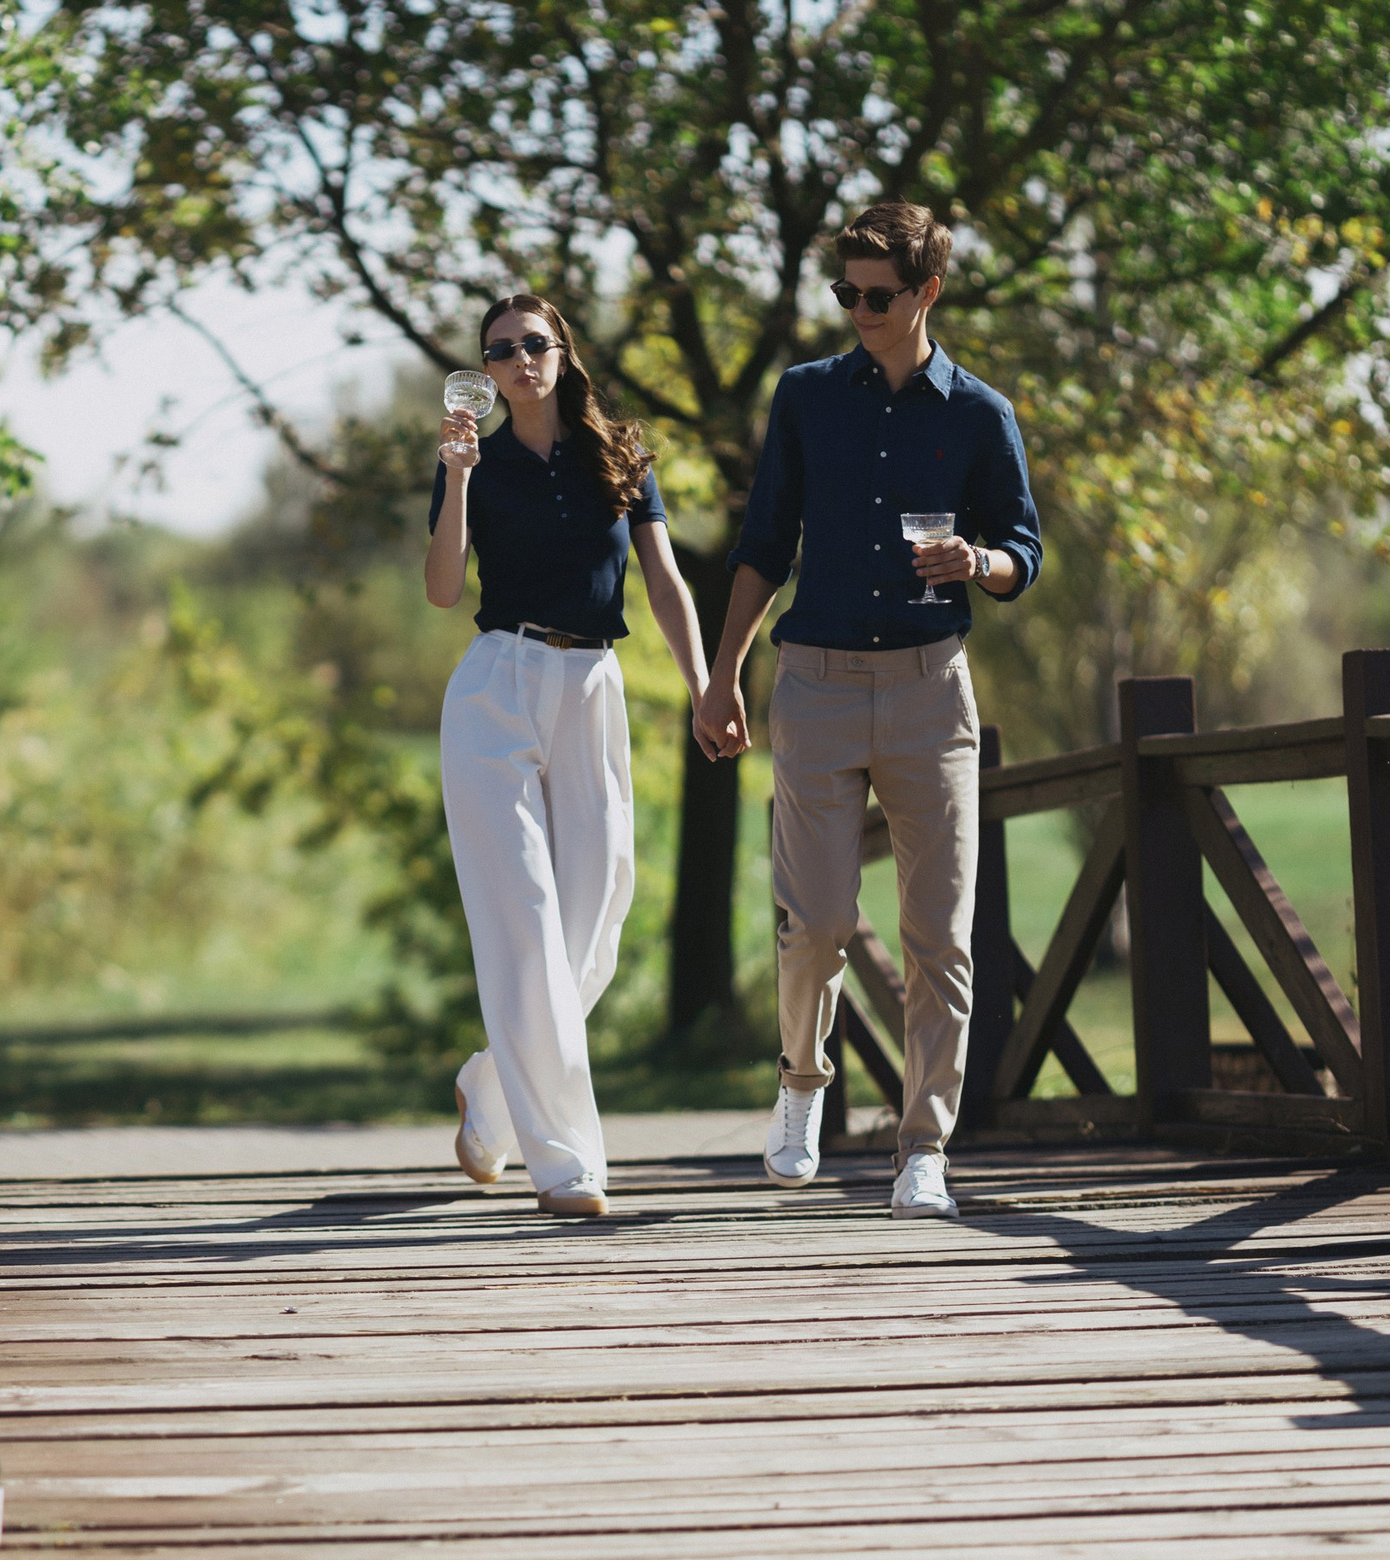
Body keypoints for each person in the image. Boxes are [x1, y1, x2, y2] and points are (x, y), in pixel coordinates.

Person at [693, 202, 1042, 1220]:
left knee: (940, 936)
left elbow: (1024, 550)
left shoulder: (980, 414)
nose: (857, 310)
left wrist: (976, 561)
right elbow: (763, 540)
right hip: (815, 682)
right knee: (815, 925)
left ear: (927, 291)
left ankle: (922, 1149)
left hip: (932, 687)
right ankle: (802, 1080)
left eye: (877, 295)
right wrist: (721, 678)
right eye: (843, 291)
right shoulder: (804, 398)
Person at [427, 294, 714, 1217]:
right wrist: (458, 477)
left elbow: (665, 581)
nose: (518, 360)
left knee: (592, 929)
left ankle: (490, 1088)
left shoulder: (619, 452)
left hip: (593, 682)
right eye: (499, 350)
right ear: (485, 369)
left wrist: (710, 682)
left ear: (562, 353)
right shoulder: (473, 457)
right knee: (526, 922)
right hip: (495, 686)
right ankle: (568, 1163)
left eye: (533, 344)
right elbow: (440, 589)